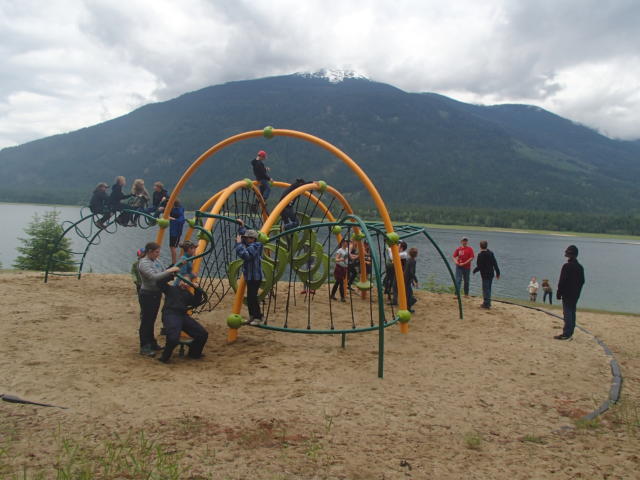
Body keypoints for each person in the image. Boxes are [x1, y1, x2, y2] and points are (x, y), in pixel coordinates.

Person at [137, 242, 180, 356]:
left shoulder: (156, 261)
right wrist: (169, 272)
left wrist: (172, 270)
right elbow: (153, 277)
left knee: (151, 320)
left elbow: (162, 272)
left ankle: (151, 343)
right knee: (146, 321)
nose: (158, 254)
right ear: (150, 252)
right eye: (156, 252)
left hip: (156, 294)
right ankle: (144, 346)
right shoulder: (144, 263)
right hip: (147, 294)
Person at [157, 279, 208, 363]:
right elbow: (160, 282)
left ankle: (194, 354)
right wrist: (171, 274)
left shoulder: (187, 293)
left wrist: (197, 290)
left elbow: (196, 302)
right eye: (183, 281)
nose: (184, 284)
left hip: (182, 315)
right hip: (171, 314)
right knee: (173, 337)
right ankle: (164, 357)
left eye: (187, 282)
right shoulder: (171, 289)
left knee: (202, 334)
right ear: (179, 281)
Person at [235, 221, 264, 325]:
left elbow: (246, 255)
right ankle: (252, 316)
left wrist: (238, 244)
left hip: (255, 277)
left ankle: (258, 317)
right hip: (250, 277)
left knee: (252, 297)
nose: (246, 239)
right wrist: (242, 226)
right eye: (245, 238)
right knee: (250, 298)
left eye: (248, 238)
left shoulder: (256, 246)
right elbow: (243, 239)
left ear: (253, 239)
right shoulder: (250, 244)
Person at [555, 245, 585, 340]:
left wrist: (559, 293)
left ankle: (566, 334)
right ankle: (570, 331)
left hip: (567, 294)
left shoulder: (566, 266)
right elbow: (582, 281)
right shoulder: (580, 267)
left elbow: (562, 281)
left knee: (567, 312)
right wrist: (577, 290)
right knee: (572, 311)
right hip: (575, 294)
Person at [472, 240, 500, 309]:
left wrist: (474, 270)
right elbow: (495, 263)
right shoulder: (491, 253)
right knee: (489, 288)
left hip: (485, 274)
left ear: (480, 246)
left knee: (485, 289)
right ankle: (488, 302)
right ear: (486, 246)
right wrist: (498, 272)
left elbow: (479, 266)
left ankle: (486, 304)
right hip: (491, 274)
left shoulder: (480, 255)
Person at [168, 200, 186, 265]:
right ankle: (173, 263)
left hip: (176, 232)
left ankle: (174, 263)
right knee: (171, 246)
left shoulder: (179, 210)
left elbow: (182, 220)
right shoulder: (173, 210)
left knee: (173, 247)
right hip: (172, 231)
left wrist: (173, 219)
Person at [405, 247, 419, 312]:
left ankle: (407, 307)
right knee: (409, 294)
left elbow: (408, 271)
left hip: (405, 278)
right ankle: (408, 308)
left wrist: (412, 281)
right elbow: (411, 272)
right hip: (407, 279)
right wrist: (416, 280)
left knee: (408, 293)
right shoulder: (413, 261)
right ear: (416, 254)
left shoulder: (408, 260)